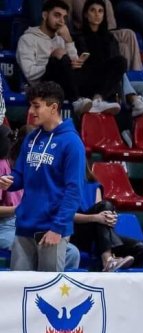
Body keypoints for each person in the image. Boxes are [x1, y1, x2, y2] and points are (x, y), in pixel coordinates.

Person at [0, 81, 84, 272]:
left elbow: (74, 191)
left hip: (51, 230)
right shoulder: (31, 138)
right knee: (20, 291)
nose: (31, 111)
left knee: (48, 292)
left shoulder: (72, 143)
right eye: (31, 105)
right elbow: (20, 175)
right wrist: (8, 182)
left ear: (53, 107)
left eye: (36, 106)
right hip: (24, 227)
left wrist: (57, 228)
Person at [16, 0, 120, 115]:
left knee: (119, 62)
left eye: (64, 17)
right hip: (45, 84)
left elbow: (74, 62)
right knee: (61, 57)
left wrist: (69, 40)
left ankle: (97, 100)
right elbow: (30, 74)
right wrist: (52, 58)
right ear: (45, 15)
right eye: (57, 15)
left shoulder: (60, 38)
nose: (61, 21)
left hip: (67, 82)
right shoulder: (27, 39)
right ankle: (76, 101)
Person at [71, 160, 143, 272]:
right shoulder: (64, 186)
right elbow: (67, 216)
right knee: (106, 205)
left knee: (140, 247)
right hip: (76, 233)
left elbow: (101, 214)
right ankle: (107, 260)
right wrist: (96, 218)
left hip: (97, 236)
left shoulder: (94, 186)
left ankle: (125, 282)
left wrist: (110, 218)